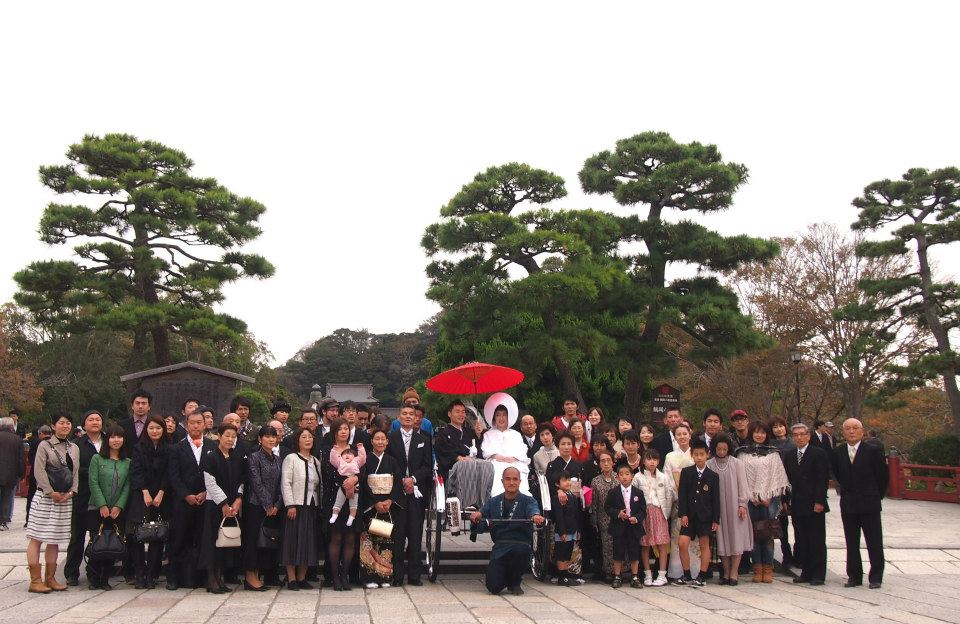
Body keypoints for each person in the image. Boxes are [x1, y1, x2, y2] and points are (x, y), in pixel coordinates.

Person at [831, 417, 888, 589]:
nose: (851, 431)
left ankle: (876, 576)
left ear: (862, 431)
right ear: (843, 432)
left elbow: (882, 477)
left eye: (855, 428)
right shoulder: (838, 452)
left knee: (874, 540)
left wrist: (876, 495)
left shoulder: (873, 450)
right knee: (851, 541)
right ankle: (854, 576)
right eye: (848, 428)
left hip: (869, 502)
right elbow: (837, 474)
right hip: (848, 503)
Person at [470, 467, 545, 595]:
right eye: (508, 479)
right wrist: (477, 515)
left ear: (520, 481)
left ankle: (515, 581)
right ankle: (505, 575)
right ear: (502, 481)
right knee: (493, 587)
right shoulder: (493, 501)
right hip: (500, 546)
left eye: (515, 479)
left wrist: (535, 516)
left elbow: (533, 510)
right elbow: (482, 513)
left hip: (520, 545)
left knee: (521, 551)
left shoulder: (528, 500)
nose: (511, 483)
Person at [26, 413, 79, 594]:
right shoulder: (44, 445)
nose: (65, 426)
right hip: (46, 497)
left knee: (55, 539)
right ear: (53, 426)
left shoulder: (73, 447)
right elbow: (38, 471)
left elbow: (75, 473)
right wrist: (50, 492)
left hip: (65, 499)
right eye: (61, 423)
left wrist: (72, 492)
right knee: (37, 537)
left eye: (68, 423)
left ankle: (50, 577)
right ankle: (35, 580)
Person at [167, 411, 217, 590]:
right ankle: (173, 577)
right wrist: (186, 494)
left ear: (205, 424)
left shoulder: (213, 446)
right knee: (179, 538)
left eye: (199, 422)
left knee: (202, 539)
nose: (196, 426)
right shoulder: (176, 448)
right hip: (183, 501)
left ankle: (200, 577)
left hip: (206, 500)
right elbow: (173, 476)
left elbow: (215, 473)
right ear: (186, 425)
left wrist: (205, 491)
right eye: (192, 423)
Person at [387, 405, 432, 586]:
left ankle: (414, 575)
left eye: (411, 414)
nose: (408, 417)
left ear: (416, 418)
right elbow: (389, 464)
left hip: (416, 491)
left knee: (415, 534)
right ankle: (397, 575)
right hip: (397, 492)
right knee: (397, 535)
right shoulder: (391, 438)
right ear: (398, 417)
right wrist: (402, 480)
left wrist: (412, 479)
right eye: (404, 414)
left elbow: (427, 466)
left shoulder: (424, 439)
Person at [739, 420, 790, 583]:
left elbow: (778, 477)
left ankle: (768, 567)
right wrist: (751, 496)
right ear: (751, 433)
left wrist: (769, 496)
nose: (759, 435)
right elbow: (741, 478)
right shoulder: (742, 453)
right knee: (753, 534)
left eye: (763, 432)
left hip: (770, 499)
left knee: (767, 533)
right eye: (756, 432)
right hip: (749, 499)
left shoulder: (774, 453)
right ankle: (757, 568)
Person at [199, 423, 245, 594]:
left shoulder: (237, 457)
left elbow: (242, 480)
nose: (230, 439)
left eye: (233, 436)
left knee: (225, 543)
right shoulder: (210, 457)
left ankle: (221, 578)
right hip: (215, 505)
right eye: (227, 435)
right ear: (219, 436)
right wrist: (224, 503)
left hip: (233, 506)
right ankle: (211, 580)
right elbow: (210, 483)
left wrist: (238, 500)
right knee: (213, 542)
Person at [781, 423, 829, 586]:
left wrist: (819, 501)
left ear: (808, 436)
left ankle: (818, 574)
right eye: (796, 435)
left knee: (816, 539)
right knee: (801, 539)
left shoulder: (818, 453)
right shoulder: (789, 455)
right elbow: (786, 480)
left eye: (802, 434)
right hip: (797, 503)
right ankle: (806, 572)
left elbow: (822, 479)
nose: (799, 437)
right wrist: (786, 500)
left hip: (814, 503)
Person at [85, 425, 131, 590]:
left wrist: (119, 505)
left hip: (117, 510)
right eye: (112, 437)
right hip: (97, 508)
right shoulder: (97, 459)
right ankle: (93, 577)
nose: (116, 440)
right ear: (107, 440)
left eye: (119, 437)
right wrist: (102, 504)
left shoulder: (127, 462)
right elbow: (93, 482)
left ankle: (105, 578)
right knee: (97, 542)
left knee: (112, 544)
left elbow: (127, 486)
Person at [128, 415, 171, 589]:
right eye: (151, 428)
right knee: (138, 535)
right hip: (141, 496)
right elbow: (135, 472)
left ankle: (152, 574)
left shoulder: (169, 448)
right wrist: (145, 492)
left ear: (163, 430)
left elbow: (169, 472)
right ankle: (139, 573)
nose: (155, 431)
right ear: (146, 429)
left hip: (162, 496)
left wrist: (161, 493)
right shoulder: (139, 448)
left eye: (158, 428)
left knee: (157, 535)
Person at [706, 433, 752, 585]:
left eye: (724, 448)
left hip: (735, 507)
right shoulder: (710, 464)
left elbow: (743, 486)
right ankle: (725, 572)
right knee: (722, 540)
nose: (721, 451)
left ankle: (734, 573)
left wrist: (742, 504)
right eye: (718, 448)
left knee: (736, 539)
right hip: (718, 509)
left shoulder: (737, 463)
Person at [280, 428, 323, 590]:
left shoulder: (315, 461)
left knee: (308, 541)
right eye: (303, 437)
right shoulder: (291, 458)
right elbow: (286, 482)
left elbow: (319, 486)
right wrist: (290, 504)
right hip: (295, 506)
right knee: (292, 541)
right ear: (297, 440)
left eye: (310, 437)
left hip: (311, 506)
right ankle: (291, 578)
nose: (308, 440)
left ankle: (302, 577)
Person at [674, 438, 720, 586]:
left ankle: (702, 575)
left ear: (707, 455)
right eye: (696, 454)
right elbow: (683, 495)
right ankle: (686, 574)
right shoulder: (687, 473)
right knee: (682, 543)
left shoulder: (713, 476)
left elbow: (716, 500)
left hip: (705, 517)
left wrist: (715, 519)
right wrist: (683, 514)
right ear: (692, 455)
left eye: (702, 454)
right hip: (690, 516)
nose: (699, 457)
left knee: (704, 545)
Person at [359, 429, 401, 589]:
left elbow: (397, 482)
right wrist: (375, 502)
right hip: (371, 507)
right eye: (377, 439)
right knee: (369, 542)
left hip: (387, 506)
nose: (380, 442)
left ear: (387, 442)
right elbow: (363, 483)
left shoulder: (392, 461)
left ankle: (384, 575)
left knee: (385, 541)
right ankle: (368, 576)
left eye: (383, 439)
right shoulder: (365, 461)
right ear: (372, 442)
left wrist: (390, 500)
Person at [242, 425, 282, 591]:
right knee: (253, 540)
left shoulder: (278, 459)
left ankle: (259, 574)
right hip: (256, 505)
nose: (271, 439)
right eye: (267, 436)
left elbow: (281, 484)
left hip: (274, 507)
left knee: (265, 541)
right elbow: (256, 483)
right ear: (260, 439)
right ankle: (249, 576)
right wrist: (267, 504)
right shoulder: (254, 457)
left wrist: (277, 504)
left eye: (274, 436)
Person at [633, 449, 673, 586]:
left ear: (658, 461)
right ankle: (647, 574)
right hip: (644, 513)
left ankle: (662, 574)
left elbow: (669, 496)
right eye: (649, 459)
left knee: (662, 544)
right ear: (643, 461)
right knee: (645, 544)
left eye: (654, 459)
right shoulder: (638, 477)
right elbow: (634, 496)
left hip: (659, 512)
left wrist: (665, 513)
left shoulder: (663, 477)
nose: (652, 462)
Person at [605, 463, 647, 588]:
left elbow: (643, 510)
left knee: (634, 552)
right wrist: (618, 513)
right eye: (621, 475)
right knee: (618, 552)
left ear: (632, 476)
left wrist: (637, 518)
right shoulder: (613, 492)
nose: (624, 477)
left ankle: (635, 576)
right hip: (619, 526)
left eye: (627, 474)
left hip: (633, 527)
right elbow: (607, 507)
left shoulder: (638, 493)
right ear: (617, 477)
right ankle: (617, 576)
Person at [482, 404, 531, 496]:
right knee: (496, 473)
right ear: (494, 418)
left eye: (504, 415)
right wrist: (496, 456)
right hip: (496, 463)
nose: (501, 418)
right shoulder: (488, 434)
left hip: (514, 463)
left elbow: (523, 450)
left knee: (517, 472)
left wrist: (514, 458)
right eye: (498, 415)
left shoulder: (516, 434)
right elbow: (485, 450)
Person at [589, 450, 618, 582]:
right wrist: (594, 521)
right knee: (606, 546)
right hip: (603, 518)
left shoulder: (619, 477)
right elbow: (594, 503)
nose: (606, 463)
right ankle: (608, 571)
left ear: (613, 462)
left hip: (619, 517)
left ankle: (620, 571)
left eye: (608, 460)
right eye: (603, 461)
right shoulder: (595, 481)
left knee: (618, 545)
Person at [434, 399, 479, 477]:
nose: (461, 415)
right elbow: (443, 452)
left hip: (473, 470)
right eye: (457, 412)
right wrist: (457, 457)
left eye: (463, 412)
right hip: (454, 473)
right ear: (449, 414)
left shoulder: (470, 432)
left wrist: (478, 435)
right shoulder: (443, 434)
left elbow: (478, 450)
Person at [552, 470, 582, 586]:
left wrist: (578, 530)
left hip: (572, 529)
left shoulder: (572, 496)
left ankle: (566, 574)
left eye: (569, 479)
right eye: (564, 480)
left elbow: (577, 514)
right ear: (557, 484)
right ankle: (562, 576)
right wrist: (562, 531)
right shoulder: (557, 497)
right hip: (563, 530)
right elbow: (559, 516)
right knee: (561, 553)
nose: (568, 482)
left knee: (568, 552)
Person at [0, 417, 25, 531]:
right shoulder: (17, 439)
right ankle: (3, 521)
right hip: (10, 472)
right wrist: (22, 474)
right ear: (11, 426)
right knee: (7, 497)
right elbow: (21, 459)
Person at [25, 425, 53, 527]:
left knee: (32, 497)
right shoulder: (55, 443)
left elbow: (31, 458)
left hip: (35, 474)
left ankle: (30, 519)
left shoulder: (35, 443)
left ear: (40, 433)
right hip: (52, 475)